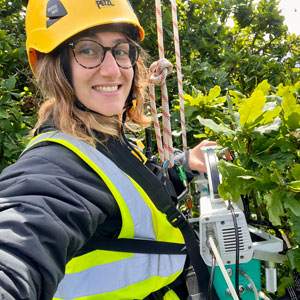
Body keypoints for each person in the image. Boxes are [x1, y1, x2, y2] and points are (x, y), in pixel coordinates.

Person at [0, 0, 218, 299]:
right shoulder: (57, 165)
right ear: (54, 66)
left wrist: (185, 164)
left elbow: (141, 192)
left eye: (120, 50)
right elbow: (22, 235)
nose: (112, 70)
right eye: (87, 49)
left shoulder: (105, 141)